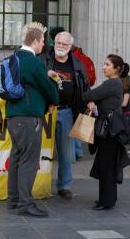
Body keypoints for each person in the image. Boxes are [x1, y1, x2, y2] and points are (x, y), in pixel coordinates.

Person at [6, 24, 59, 217]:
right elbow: (47, 87)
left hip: (13, 116)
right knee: (29, 161)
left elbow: (29, 83)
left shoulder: (13, 58)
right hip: (29, 118)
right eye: (43, 41)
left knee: (17, 159)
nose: (44, 44)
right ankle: (26, 204)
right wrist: (54, 100)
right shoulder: (33, 61)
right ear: (35, 41)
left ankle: (13, 200)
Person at [39, 31, 88, 200]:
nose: (60, 46)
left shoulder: (77, 64)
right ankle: (37, 183)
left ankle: (64, 186)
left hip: (67, 111)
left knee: (66, 152)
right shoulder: (43, 60)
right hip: (45, 111)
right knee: (41, 149)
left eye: (64, 44)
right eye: (58, 43)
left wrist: (87, 104)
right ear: (54, 42)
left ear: (70, 47)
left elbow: (84, 87)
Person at [83, 54, 130, 210]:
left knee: (107, 166)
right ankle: (107, 199)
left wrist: (90, 98)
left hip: (109, 131)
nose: (103, 67)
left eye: (107, 65)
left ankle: (107, 201)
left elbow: (89, 95)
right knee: (107, 165)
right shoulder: (115, 83)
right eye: (104, 64)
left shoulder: (111, 83)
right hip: (111, 130)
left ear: (116, 69)